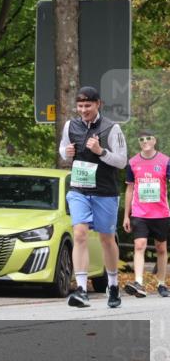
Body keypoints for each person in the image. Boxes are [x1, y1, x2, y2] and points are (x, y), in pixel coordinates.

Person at [59, 86, 128, 308]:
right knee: (79, 233)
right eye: (80, 106)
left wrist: (101, 152)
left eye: (88, 105)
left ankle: (114, 284)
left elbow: (122, 161)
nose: (83, 110)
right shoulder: (71, 125)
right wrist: (66, 153)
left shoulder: (112, 128)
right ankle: (81, 289)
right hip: (79, 189)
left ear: (98, 104)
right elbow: (62, 149)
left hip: (104, 191)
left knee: (107, 239)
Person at [122, 129, 169, 298]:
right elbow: (129, 189)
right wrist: (126, 215)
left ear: (154, 140)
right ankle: (139, 283)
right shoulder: (133, 162)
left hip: (161, 213)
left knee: (161, 248)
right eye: (142, 139)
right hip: (139, 213)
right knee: (139, 245)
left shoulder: (165, 161)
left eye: (148, 138)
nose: (145, 141)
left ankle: (161, 284)